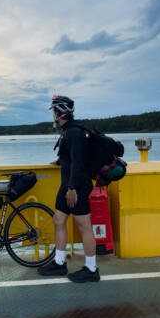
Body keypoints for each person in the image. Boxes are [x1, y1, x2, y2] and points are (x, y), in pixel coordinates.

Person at [38, 95, 100, 283]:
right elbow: (71, 156)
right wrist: (59, 161)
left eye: (54, 111)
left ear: (59, 112)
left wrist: (72, 188)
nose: (53, 115)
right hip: (67, 184)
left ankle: (91, 269)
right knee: (59, 220)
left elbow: (79, 162)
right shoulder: (68, 131)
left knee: (84, 225)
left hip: (77, 186)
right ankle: (59, 263)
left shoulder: (74, 132)